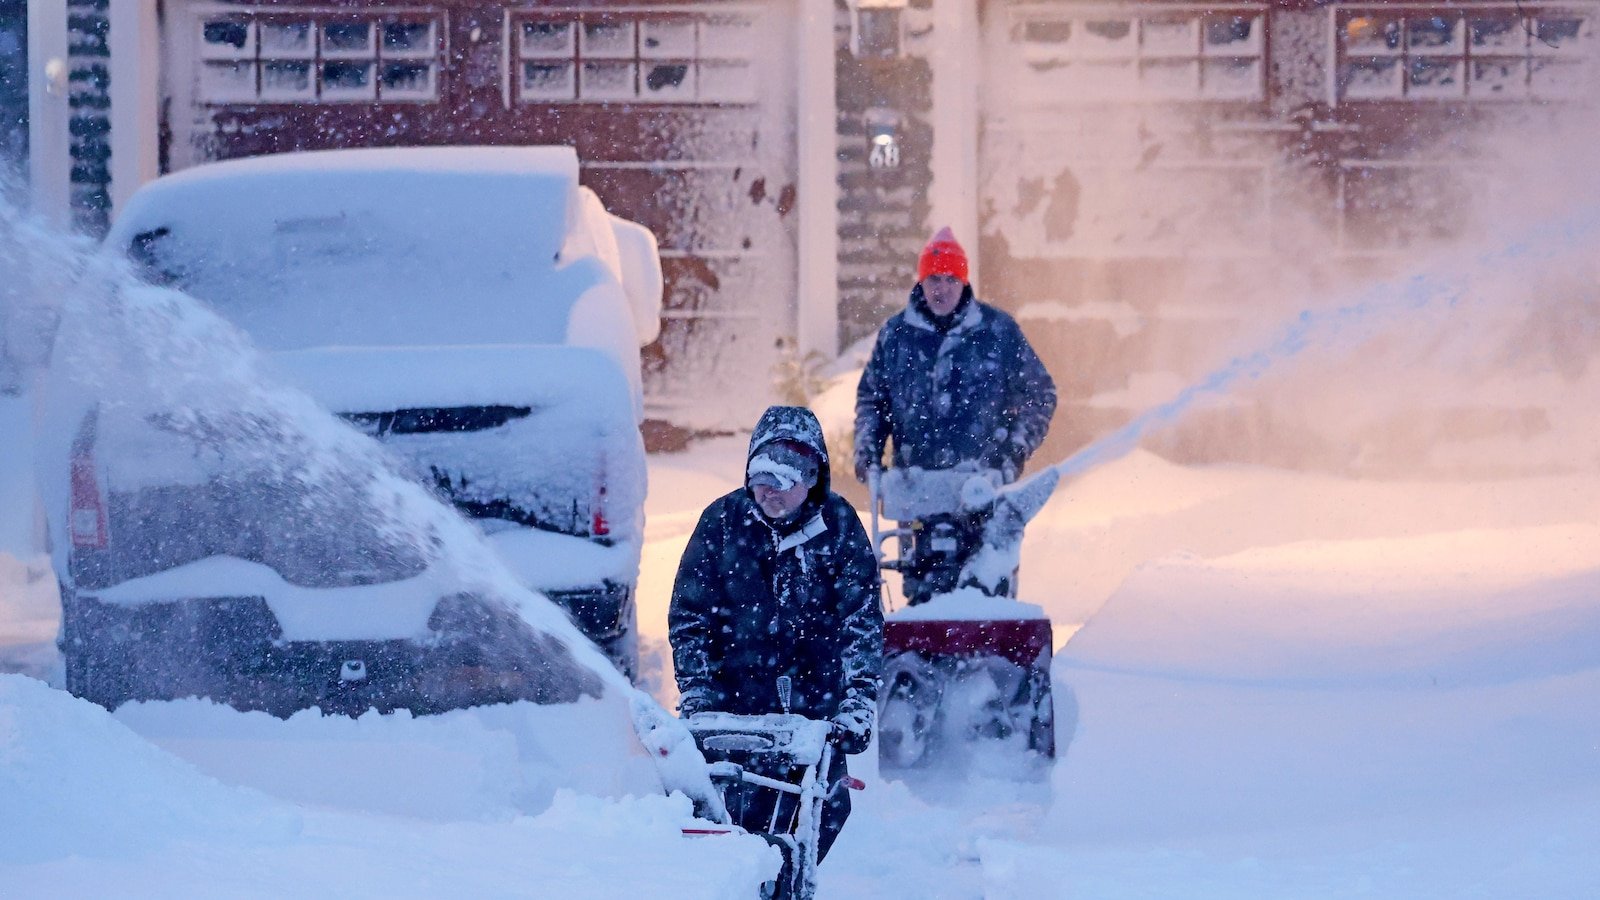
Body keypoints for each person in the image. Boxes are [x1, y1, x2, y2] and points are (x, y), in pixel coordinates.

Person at [668, 405, 883, 864]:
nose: (770, 490)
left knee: (818, 816)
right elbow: (690, 618)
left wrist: (857, 703)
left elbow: (860, 623)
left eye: (784, 478)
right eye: (761, 475)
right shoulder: (722, 524)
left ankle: (786, 882)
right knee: (731, 824)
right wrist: (699, 692)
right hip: (733, 710)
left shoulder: (840, 528)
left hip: (813, 711)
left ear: (812, 478)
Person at [854, 226, 1057, 603]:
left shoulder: (998, 333)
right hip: (917, 489)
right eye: (933, 278)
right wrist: (867, 452)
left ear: (964, 282)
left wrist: (1013, 450)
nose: (941, 288)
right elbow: (872, 400)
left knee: (987, 592)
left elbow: (1040, 394)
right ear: (921, 281)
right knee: (923, 597)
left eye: (950, 278)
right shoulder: (896, 337)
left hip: (982, 486)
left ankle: (987, 653)